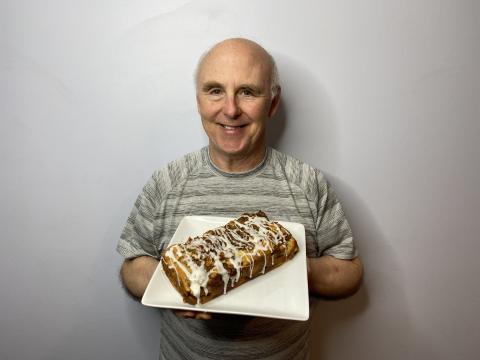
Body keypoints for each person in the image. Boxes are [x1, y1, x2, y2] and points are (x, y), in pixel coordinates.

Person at [117, 38, 363, 359]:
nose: (230, 110)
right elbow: (132, 264)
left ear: (272, 104)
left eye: (248, 92)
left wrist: (287, 271)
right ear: (199, 101)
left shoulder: (307, 183)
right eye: (215, 90)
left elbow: (350, 272)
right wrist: (177, 285)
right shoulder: (167, 182)